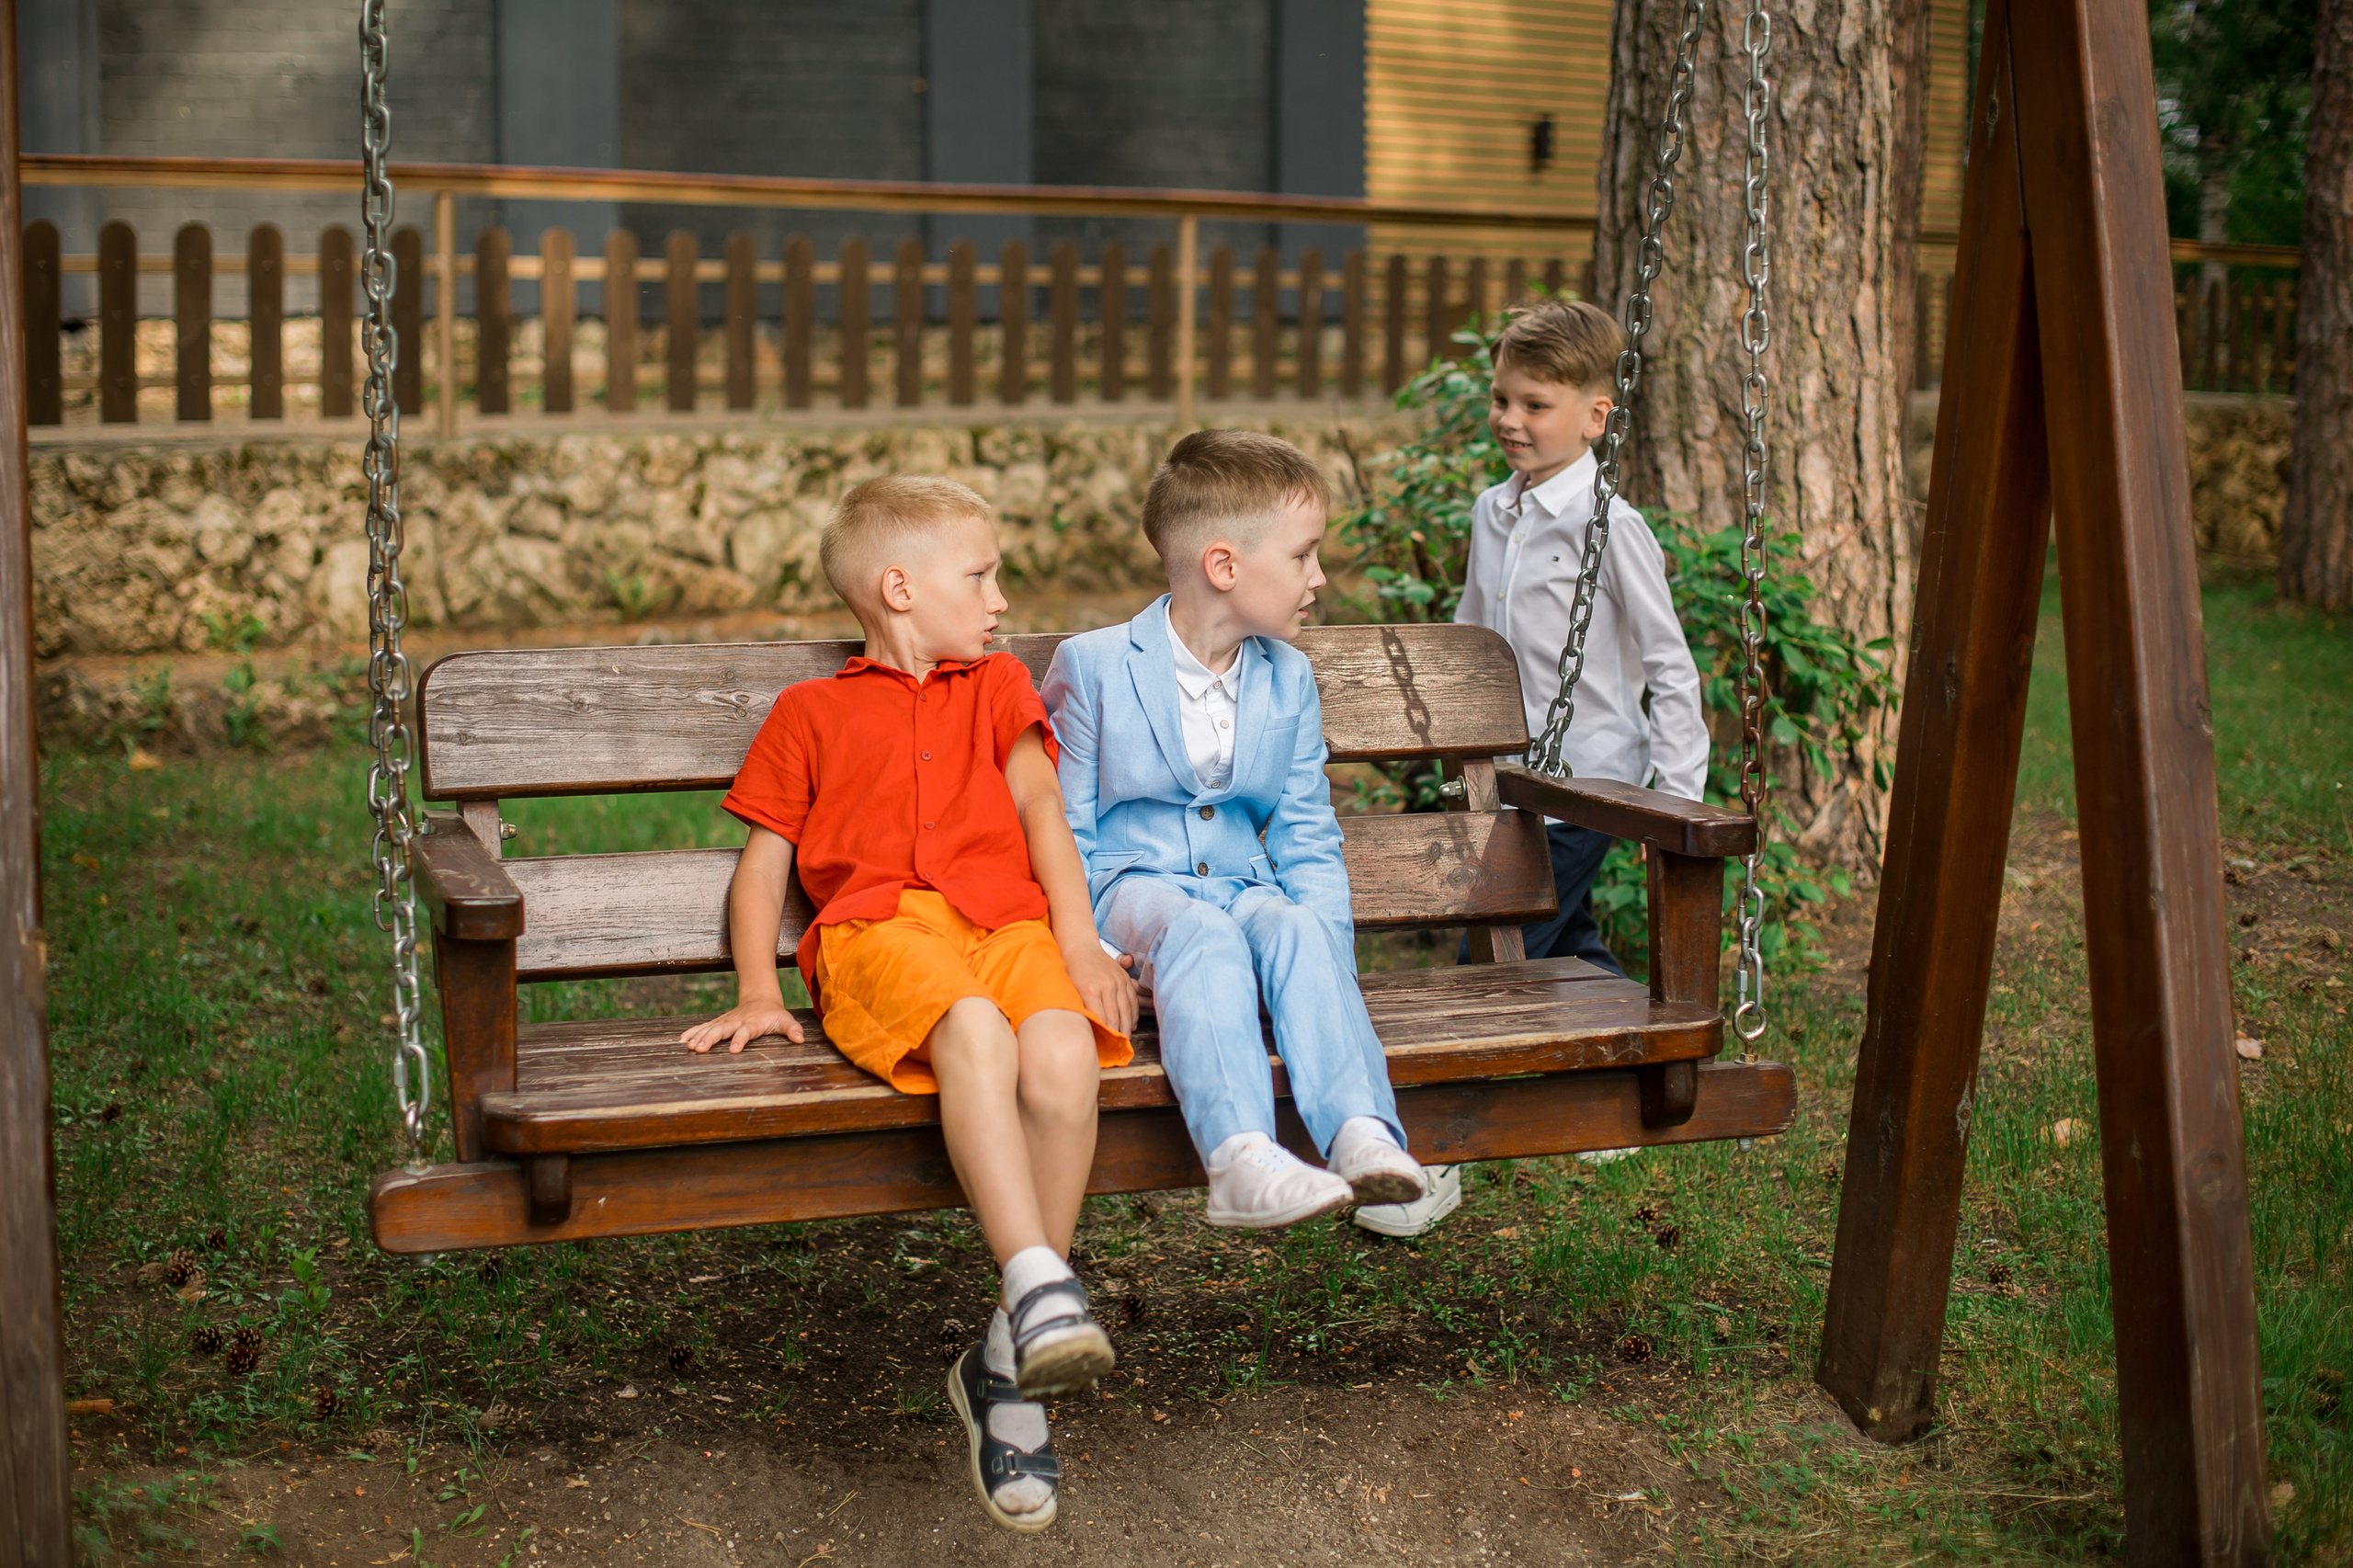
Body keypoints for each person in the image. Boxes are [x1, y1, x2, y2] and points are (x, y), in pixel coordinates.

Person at [679, 476, 1138, 1534]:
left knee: (1062, 1047)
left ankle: (1003, 1351)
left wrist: (1076, 938)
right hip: (878, 932)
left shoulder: (998, 686)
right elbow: (765, 866)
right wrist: (758, 985)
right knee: (975, 1030)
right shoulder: (812, 711)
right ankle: (1036, 1290)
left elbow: (1039, 811)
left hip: (1006, 922)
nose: (1000, 596)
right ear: (898, 587)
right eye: (978, 575)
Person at [1353, 299, 1709, 1241]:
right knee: (1561, 939)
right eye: (1502, 398)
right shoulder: (1492, 511)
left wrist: (1671, 803)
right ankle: (1628, 1074)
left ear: (1595, 415)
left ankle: (1436, 1160)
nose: (1510, 419)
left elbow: (1668, 665)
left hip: (1588, 783)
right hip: (1507, 779)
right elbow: (1476, 638)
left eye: (1536, 404)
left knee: (1490, 952)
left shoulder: (1608, 525)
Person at [1042, 429, 1426, 1232]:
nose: (1319, 578)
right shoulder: (1096, 666)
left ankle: (1360, 1131)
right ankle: (1239, 1156)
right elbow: (1064, 827)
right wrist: (1091, 952)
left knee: (1293, 920)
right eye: (1303, 557)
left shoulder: (1288, 677)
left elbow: (1306, 834)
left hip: (1244, 885)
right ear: (1225, 567)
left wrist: (1324, 959)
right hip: (1132, 891)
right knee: (1201, 936)